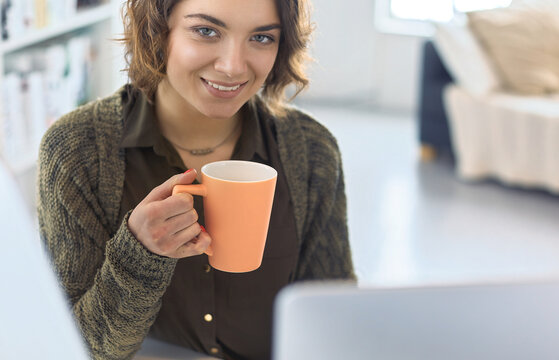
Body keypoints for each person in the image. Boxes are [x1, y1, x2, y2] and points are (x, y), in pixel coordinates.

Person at [37, 0, 355, 359]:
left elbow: (333, 320)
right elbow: (75, 348)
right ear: (158, 30)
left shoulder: (312, 150)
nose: (233, 66)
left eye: (262, 37)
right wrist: (138, 256)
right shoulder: (77, 151)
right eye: (206, 31)